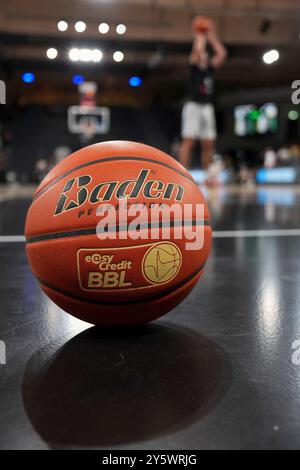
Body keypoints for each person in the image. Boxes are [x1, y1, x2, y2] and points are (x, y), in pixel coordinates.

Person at [180, 16, 227, 171]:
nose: (204, 54)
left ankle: (208, 175)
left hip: (206, 106)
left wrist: (212, 35)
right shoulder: (194, 67)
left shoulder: (209, 70)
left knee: (208, 143)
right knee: (189, 140)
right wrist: (200, 34)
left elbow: (221, 53)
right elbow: (198, 49)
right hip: (193, 105)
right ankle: (183, 173)